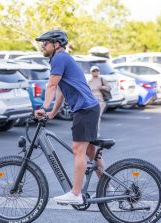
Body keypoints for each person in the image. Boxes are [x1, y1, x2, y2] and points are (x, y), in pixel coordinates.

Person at [34, 30, 105, 205]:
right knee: (89, 151)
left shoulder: (59, 58)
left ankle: (75, 194)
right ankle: (107, 185)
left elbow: (51, 85)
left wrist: (43, 108)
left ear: (56, 44)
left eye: (46, 42)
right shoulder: (62, 59)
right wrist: (53, 112)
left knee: (78, 149)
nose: (43, 45)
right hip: (88, 108)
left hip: (85, 109)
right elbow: (60, 90)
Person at [87, 66, 111, 137]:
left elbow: (109, 88)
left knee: (97, 117)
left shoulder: (102, 79)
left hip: (101, 101)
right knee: (91, 117)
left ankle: (96, 132)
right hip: (92, 101)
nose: (96, 72)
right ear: (91, 72)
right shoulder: (89, 81)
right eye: (94, 71)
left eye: (97, 70)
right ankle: (91, 131)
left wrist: (103, 87)